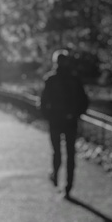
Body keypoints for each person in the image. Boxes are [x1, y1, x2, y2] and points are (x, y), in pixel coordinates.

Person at [40, 49, 89, 199]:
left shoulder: (50, 79)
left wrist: (48, 115)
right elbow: (84, 101)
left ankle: (55, 174)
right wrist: (75, 114)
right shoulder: (75, 79)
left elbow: (43, 102)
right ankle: (68, 186)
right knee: (70, 154)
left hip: (55, 121)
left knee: (57, 151)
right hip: (71, 122)